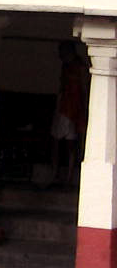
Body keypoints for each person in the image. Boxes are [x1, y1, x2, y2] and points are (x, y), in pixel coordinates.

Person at [53, 39, 87, 185]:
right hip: (64, 108)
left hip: (72, 110)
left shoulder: (78, 67)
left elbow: (83, 89)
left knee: (71, 145)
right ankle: (57, 175)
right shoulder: (66, 66)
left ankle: (68, 178)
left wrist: (82, 110)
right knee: (57, 142)